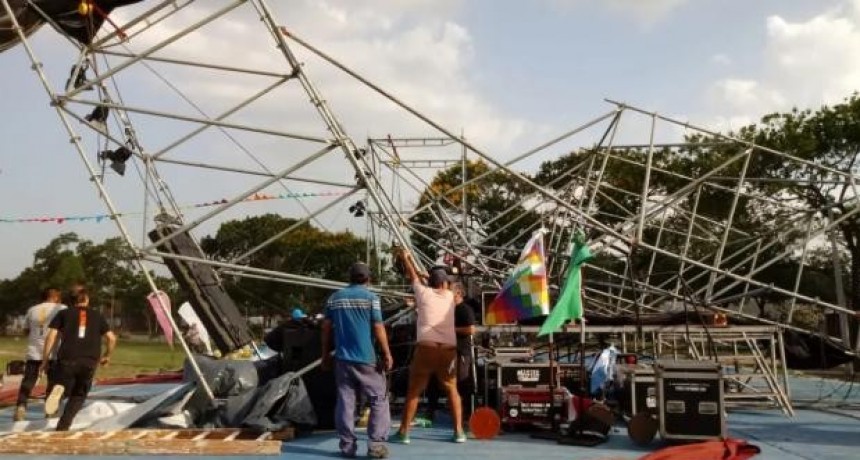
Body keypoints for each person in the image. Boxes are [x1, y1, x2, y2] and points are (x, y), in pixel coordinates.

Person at [390, 250, 466, 444]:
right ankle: (458, 432)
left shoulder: (423, 293)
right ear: (445, 283)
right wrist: (433, 278)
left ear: (430, 282)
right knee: (452, 390)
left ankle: (404, 432)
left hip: (427, 348)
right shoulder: (450, 296)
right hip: (448, 350)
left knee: (414, 391)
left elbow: (413, 276)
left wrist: (407, 259)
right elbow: (451, 289)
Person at [321, 262, 393, 459]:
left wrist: (325, 354)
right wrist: (387, 353)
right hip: (366, 358)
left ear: (349, 277)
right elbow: (378, 327)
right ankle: (376, 446)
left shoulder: (334, 298)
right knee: (378, 398)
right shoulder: (372, 298)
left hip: (343, 358)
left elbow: (326, 328)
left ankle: (347, 446)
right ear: (368, 278)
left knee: (345, 401)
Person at [41, 288, 116, 431]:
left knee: (63, 382)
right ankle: (63, 426)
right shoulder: (97, 315)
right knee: (78, 395)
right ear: (86, 299)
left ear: (72, 301)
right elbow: (111, 338)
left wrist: (45, 360)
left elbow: (51, 336)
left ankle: (60, 391)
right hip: (89, 361)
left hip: (67, 358)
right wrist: (107, 355)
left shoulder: (63, 313)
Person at [422, 283, 476, 428]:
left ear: (458, 293)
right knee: (434, 380)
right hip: (445, 351)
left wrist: (451, 330)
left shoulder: (464, 309)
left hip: (460, 353)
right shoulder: (448, 309)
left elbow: (471, 330)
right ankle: (430, 413)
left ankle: (463, 416)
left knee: (460, 384)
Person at [13, 288, 67, 421]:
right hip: (53, 352)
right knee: (53, 383)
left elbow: (26, 330)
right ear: (56, 297)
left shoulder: (32, 310)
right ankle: (50, 410)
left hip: (34, 351)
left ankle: (21, 406)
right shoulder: (62, 308)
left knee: (28, 381)